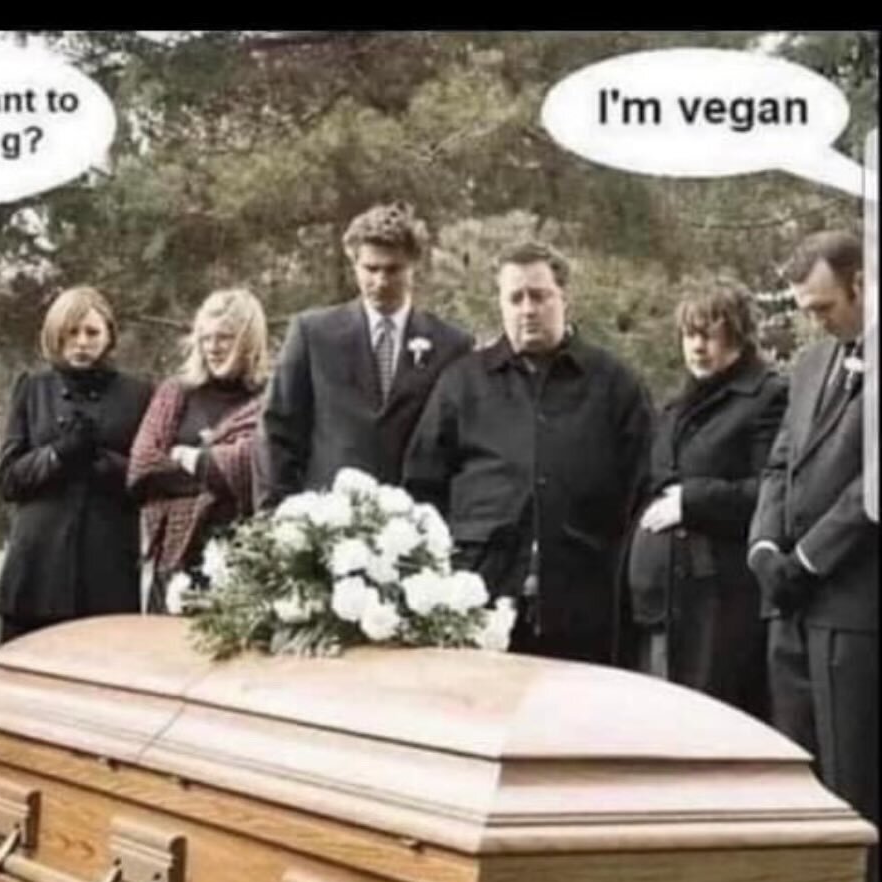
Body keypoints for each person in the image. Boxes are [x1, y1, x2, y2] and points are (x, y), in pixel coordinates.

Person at [404, 241, 652, 664]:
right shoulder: (462, 383)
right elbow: (422, 488)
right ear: (500, 304)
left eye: (539, 296)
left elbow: (643, 488)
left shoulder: (614, 385)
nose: (527, 309)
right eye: (515, 298)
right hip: (479, 600)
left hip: (585, 604)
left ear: (564, 297)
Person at [748, 230, 878, 882]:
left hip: (854, 607)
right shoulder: (808, 365)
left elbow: (872, 486)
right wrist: (765, 547)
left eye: (823, 307)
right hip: (789, 606)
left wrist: (807, 557)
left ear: (861, 284)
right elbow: (779, 464)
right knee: (795, 770)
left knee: (852, 776)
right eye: (804, 308)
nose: (814, 321)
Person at [627, 279, 787, 717]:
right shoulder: (677, 405)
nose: (697, 347)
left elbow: (774, 492)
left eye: (710, 335)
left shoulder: (768, 398)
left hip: (717, 609)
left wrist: (691, 502)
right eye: (689, 334)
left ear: (739, 335)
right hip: (660, 605)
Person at [256, 202, 472, 508]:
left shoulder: (452, 345)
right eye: (371, 269)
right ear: (353, 262)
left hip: (417, 519)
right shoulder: (313, 334)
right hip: (328, 518)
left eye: (393, 269)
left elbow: (462, 444)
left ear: (414, 265)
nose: (381, 282)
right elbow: (278, 429)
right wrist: (275, 513)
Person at [0, 286, 152, 641]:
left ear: (109, 335)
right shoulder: (34, 388)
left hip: (106, 563)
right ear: (55, 335)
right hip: (38, 564)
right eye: (71, 332)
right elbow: (7, 480)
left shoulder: (138, 394)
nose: (82, 342)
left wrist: (102, 461)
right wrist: (58, 454)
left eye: (92, 332)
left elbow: (148, 479)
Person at [129, 289, 268, 609]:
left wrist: (189, 458)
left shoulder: (269, 398)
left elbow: (258, 467)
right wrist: (216, 474)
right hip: (175, 558)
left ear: (248, 340)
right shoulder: (176, 392)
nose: (213, 348)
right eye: (206, 338)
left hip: (244, 554)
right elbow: (142, 467)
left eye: (224, 338)